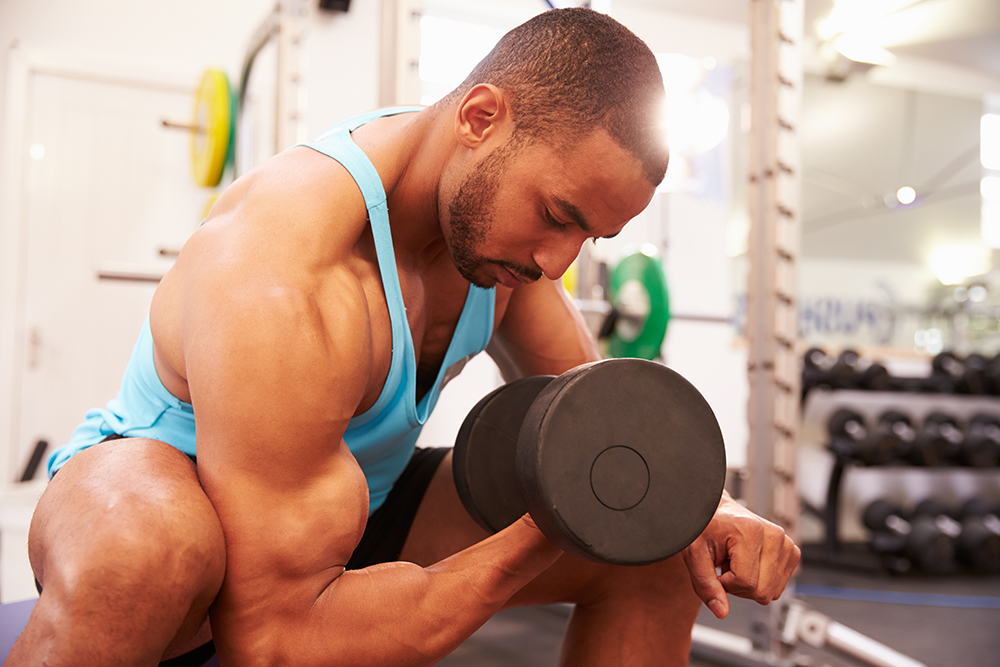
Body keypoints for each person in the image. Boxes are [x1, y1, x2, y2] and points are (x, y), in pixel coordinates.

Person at [8, 8, 799, 667]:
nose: (556, 262)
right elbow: (274, 641)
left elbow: (604, 421)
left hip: (345, 508)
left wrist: (709, 507)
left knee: (655, 547)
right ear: (481, 117)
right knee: (142, 554)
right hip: (186, 503)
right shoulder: (286, 267)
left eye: (588, 238)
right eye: (559, 216)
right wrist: (551, 526)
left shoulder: (498, 247)